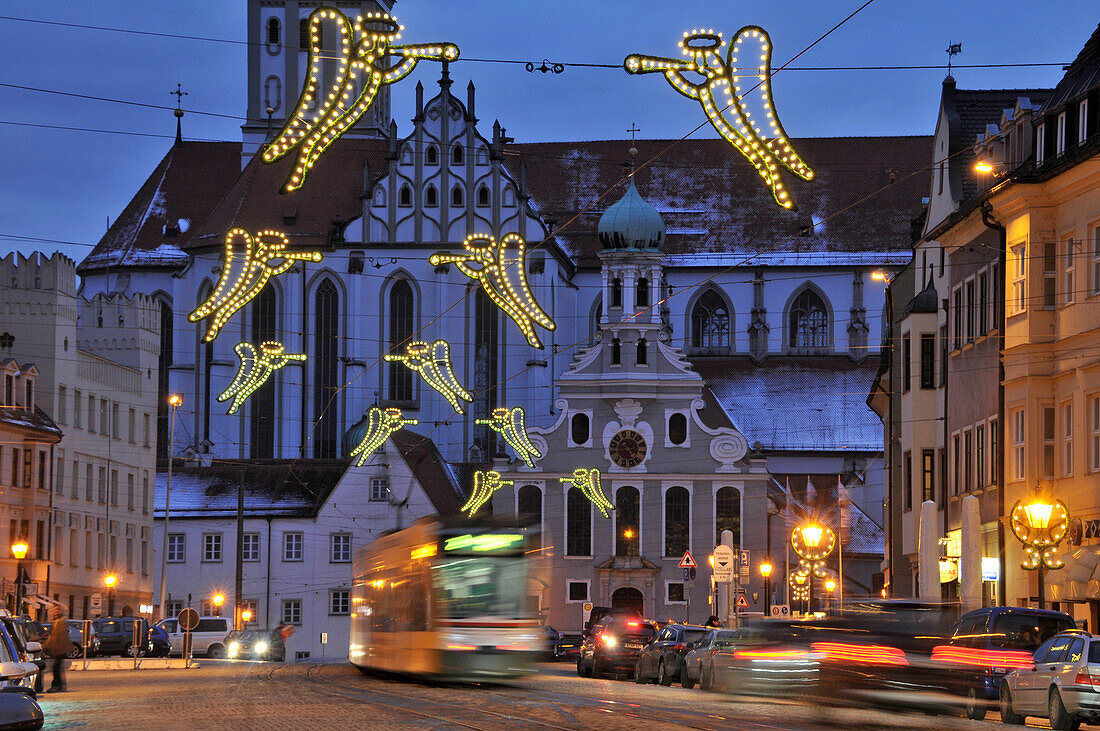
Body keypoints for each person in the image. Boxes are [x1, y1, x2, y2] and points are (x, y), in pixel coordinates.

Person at [44, 607, 70, 692]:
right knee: (57, 667)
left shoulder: (59, 622)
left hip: (59, 649)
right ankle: (60, 685)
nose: (54, 613)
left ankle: (56, 685)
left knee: (56, 668)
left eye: (56, 611)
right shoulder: (57, 622)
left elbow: (59, 636)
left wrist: (56, 646)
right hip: (58, 649)